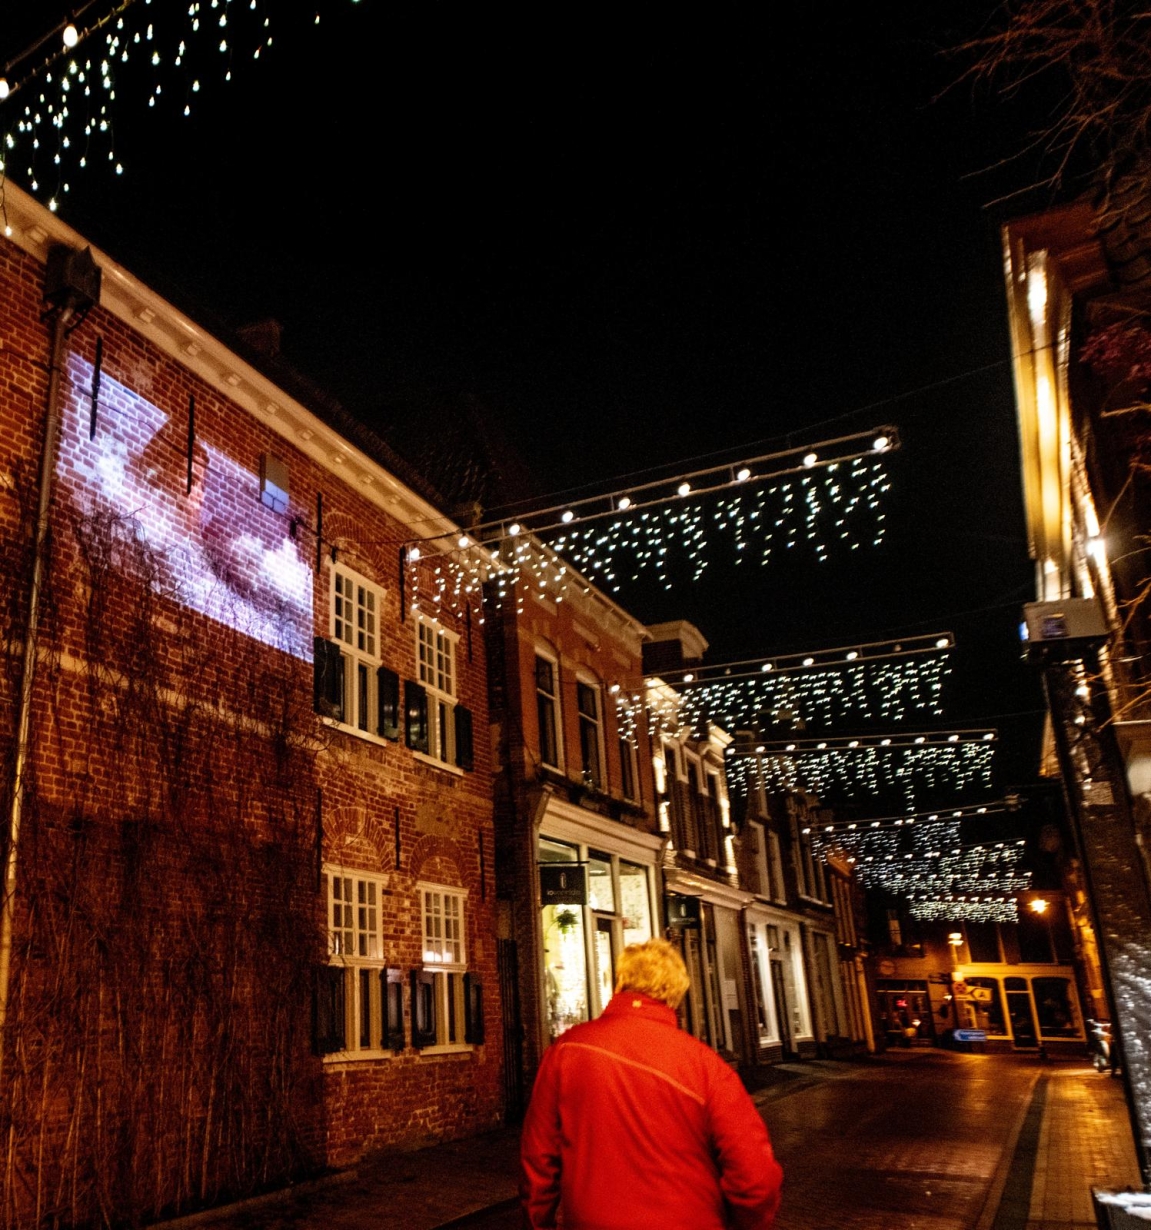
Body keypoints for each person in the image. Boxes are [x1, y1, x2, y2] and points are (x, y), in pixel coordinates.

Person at [520, 938, 783, 1229]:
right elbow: (756, 1177)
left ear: (620, 983)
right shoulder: (706, 1067)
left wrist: (538, 1222)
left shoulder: (567, 1049)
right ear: (675, 995)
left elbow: (539, 1155)